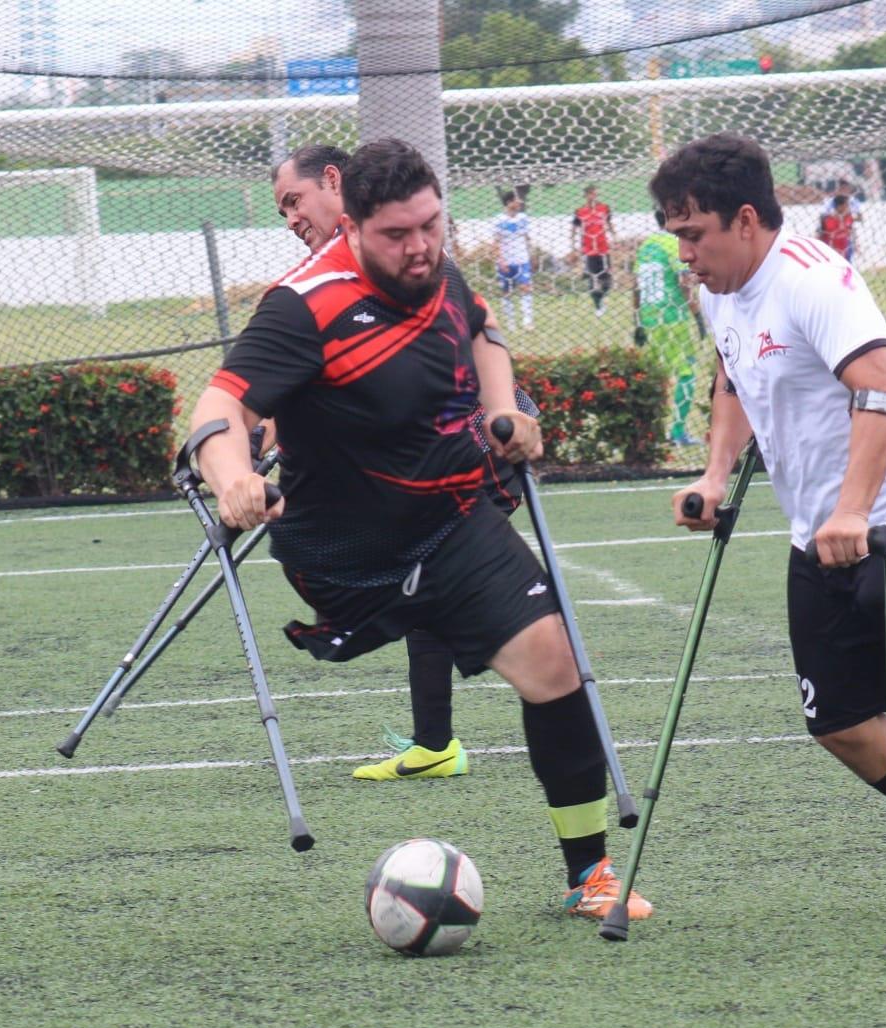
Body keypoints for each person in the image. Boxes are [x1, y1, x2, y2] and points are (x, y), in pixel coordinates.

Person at [191, 138, 651, 920]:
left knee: (556, 664)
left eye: (430, 226)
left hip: (453, 523)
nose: (419, 247)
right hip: (345, 552)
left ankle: (589, 873)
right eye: (397, 236)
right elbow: (218, 407)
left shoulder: (439, 268)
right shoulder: (305, 304)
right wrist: (233, 478)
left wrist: (505, 409)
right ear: (355, 228)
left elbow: (483, 331)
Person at [653, 132, 886, 918]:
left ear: (744, 219)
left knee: (871, 646)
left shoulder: (814, 283)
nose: (684, 254)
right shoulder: (717, 290)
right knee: (838, 725)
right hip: (810, 530)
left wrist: (853, 508)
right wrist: (716, 474)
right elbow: (731, 374)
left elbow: (885, 392)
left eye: (693, 235)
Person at [269, 143, 537, 785]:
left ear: (332, 181)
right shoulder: (318, 277)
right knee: (421, 570)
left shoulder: (398, 248)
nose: (290, 218)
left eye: (294, 201)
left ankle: (440, 740)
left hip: (463, 438)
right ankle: (435, 741)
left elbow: (477, 325)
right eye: (282, 209)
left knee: (431, 564)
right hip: (404, 455)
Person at [633, 209, 706, 446]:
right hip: (673, 318)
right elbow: (684, 283)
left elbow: (635, 288)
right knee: (686, 373)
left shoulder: (645, 247)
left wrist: (637, 323)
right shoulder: (671, 243)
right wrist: (698, 317)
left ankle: (650, 431)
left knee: (655, 377)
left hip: (649, 318)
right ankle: (677, 432)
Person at [570, 184, 616, 317]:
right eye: (591, 193)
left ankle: (601, 297)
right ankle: (598, 306)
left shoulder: (604, 208)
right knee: (592, 279)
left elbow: (609, 224)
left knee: (607, 281)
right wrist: (573, 247)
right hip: (589, 251)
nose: (594, 196)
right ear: (586, 195)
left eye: (595, 193)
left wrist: (615, 237)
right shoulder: (580, 211)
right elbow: (573, 229)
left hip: (603, 250)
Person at [493, 191, 534, 331]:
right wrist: (501, 260)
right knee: (506, 291)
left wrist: (532, 254)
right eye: (517, 200)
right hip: (506, 261)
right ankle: (510, 322)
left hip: (522, 260)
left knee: (525, 287)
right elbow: (496, 243)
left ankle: (527, 321)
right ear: (509, 203)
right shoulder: (498, 220)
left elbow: (528, 238)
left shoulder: (524, 218)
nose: (520, 202)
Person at [820, 179, 863, 261]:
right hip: (832, 238)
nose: (844, 190)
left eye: (846, 188)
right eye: (842, 188)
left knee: (847, 259)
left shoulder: (853, 201)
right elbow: (822, 217)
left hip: (845, 237)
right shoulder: (829, 201)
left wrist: (849, 216)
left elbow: (859, 217)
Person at [816, 192, 854, 258]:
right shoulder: (827, 219)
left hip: (845, 247)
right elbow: (820, 235)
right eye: (846, 205)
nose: (848, 207)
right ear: (839, 206)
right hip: (831, 249)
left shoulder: (849, 217)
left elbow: (850, 231)